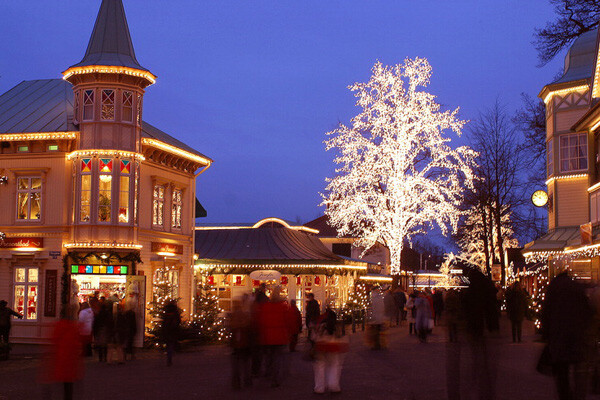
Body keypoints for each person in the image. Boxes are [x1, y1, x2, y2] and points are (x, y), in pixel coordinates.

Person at [541, 270, 593, 400]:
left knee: (561, 370)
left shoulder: (553, 288)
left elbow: (546, 312)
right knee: (578, 366)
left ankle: (565, 395)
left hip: (559, 334)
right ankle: (578, 395)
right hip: (576, 333)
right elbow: (587, 310)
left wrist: (546, 333)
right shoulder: (576, 288)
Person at [42, 305, 84, 400]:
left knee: (59, 384)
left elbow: (54, 340)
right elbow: (77, 343)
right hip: (70, 361)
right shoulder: (73, 327)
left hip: (61, 359)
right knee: (68, 385)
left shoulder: (60, 326)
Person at [258, 286, 294, 387]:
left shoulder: (265, 306)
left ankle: (268, 372)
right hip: (280, 336)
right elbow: (288, 322)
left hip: (267, 336)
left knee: (269, 356)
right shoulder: (284, 306)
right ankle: (275, 377)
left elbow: (261, 321)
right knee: (277, 357)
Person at [313, 301, 348, 394]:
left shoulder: (321, 323)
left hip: (321, 346)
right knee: (333, 366)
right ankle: (333, 385)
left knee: (320, 367)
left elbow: (314, 336)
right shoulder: (335, 325)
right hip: (333, 347)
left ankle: (319, 388)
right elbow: (340, 336)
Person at [228, 297, 252, 389]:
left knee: (236, 365)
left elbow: (231, 328)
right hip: (245, 345)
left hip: (237, 345)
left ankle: (237, 382)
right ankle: (246, 380)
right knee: (245, 364)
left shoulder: (233, 317)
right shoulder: (244, 316)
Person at [161, 300, 181, 366]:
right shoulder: (175, 312)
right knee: (171, 344)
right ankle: (170, 356)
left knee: (168, 344)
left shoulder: (166, 312)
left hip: (167, 331)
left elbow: (163, 323)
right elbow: (178, 321)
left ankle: (169, 356)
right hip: (173, 331)